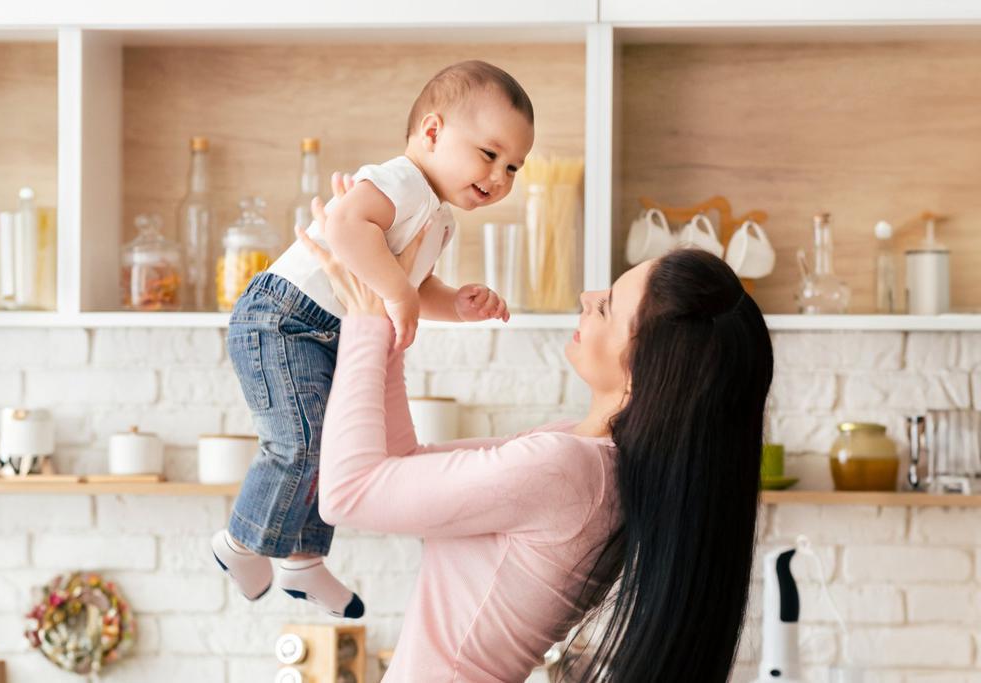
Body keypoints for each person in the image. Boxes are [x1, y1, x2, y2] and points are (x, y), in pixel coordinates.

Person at [301, 186, 775, 681]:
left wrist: (365, 323)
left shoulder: (566, 470)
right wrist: (391, 311)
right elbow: (401, 464)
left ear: (645, 372)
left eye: (607, 306)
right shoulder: (584, 456)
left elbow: (347, 494)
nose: (587, 297)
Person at [210, 60, 534, 618]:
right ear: (431, 132)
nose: (500, 177)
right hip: (282, 318)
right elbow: (347, 228)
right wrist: (399, 296)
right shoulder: (400, 180)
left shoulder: (441, 219)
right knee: (301, 443)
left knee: (331, 449)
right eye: (489, 154)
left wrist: (453, 303)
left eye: (513, 167)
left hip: (323, 332)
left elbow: (414, 283)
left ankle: (303, 560)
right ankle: (239, 543)